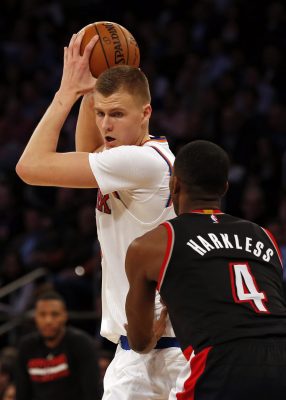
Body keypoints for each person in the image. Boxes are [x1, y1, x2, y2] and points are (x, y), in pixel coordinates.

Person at [16, 30, 186, 399]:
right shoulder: (140, 158)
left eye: (118, 114)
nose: (107, 124)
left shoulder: (139, 162)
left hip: (166, 349)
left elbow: (30, 167)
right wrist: (93, 87)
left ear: (146, 113)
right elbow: (88, 149)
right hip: (143, 349)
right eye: (101, 115)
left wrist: (68, 92)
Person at [125, 140, 286, 400]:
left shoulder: (152, 244)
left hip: (222, 360)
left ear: (174, 184)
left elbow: (140, 341)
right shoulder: (265, 235)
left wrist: (153, 331)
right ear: (224, 188)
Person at [16, 291, 100, 400]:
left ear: (64, 316)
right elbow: (22, 393)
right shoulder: (26, 347)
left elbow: (92, 393)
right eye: (42, 314)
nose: (48, 321)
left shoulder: (82, 343)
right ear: (35, 317)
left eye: (54, 314)